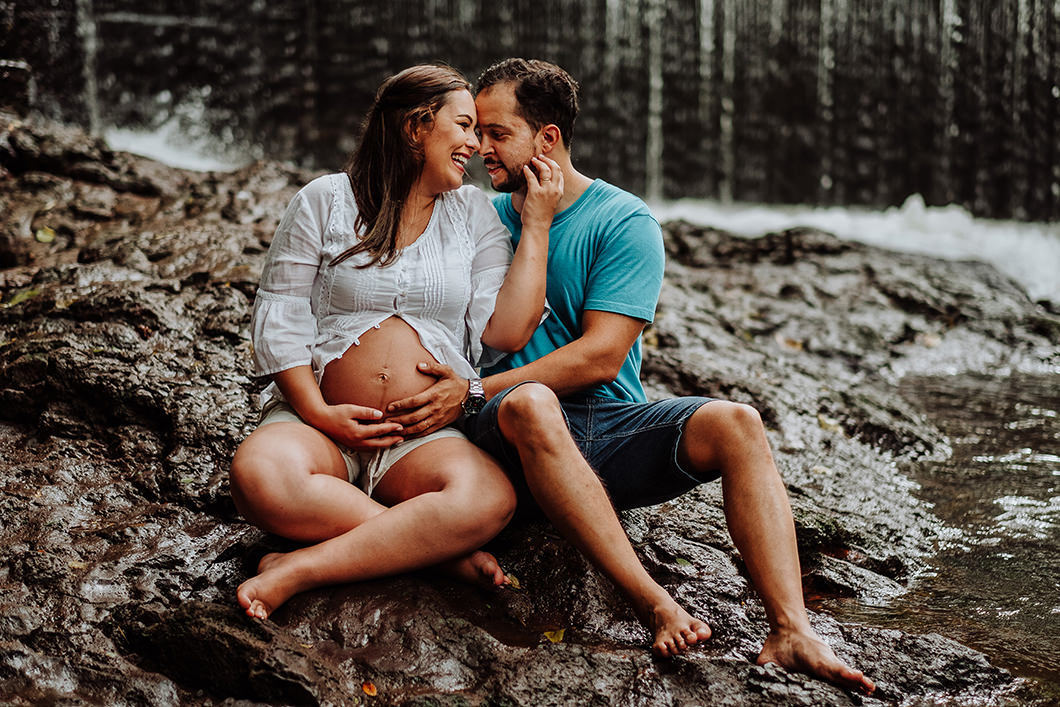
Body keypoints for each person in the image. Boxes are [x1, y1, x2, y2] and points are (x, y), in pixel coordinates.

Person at [384, 58, 875, 694]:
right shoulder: (476, 216)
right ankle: (653, 604)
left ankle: (792, 630)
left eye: (498, 133)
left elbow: (601, 358)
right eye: (477, 132)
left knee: (737, 422)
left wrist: (472, 388)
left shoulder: (623, 221)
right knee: (531, 403)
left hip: (603, 426)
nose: (481, 148)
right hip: (499, 432)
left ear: (548, 139)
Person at [229, 64, 563, 620]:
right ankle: (432, 552)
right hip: (318, 424)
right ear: (415, 126)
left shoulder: (474, 214)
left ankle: (299, 568)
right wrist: (318, 412)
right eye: (464, 126)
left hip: (420, 439)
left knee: (488, 499)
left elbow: (506, 331)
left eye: (482, 131)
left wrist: (538, 225)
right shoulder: (326, 199)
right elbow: (281, 311)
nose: (476, 145)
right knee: (259, 475)